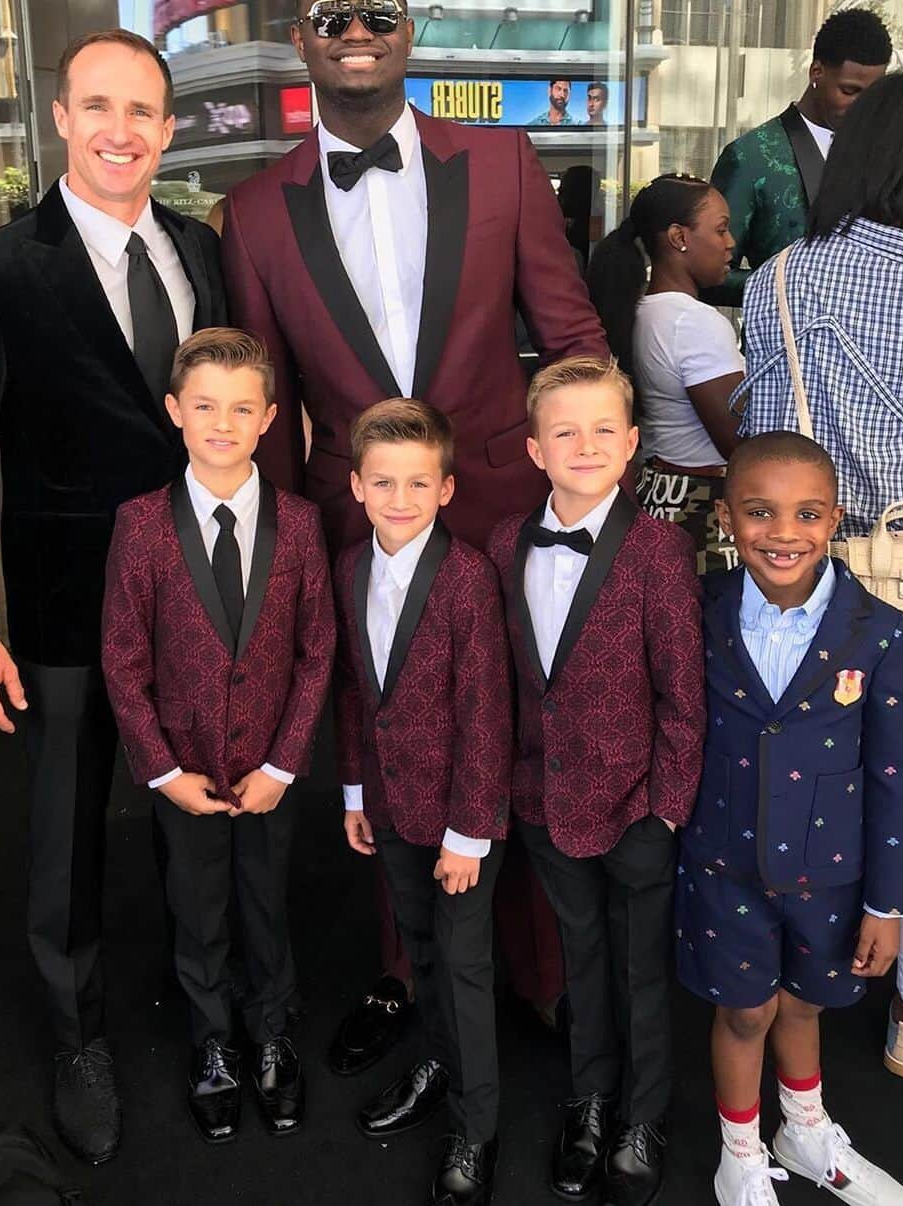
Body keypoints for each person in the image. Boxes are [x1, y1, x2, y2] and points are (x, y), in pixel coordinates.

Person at [222, 0, 606, 1075]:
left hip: (499, 507)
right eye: (332, 17)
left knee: (520, 732)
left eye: (378, 14)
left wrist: (588, 495)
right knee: (393, 750)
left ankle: (539, 976)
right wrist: (289, 566)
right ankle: (410, 971)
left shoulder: (498, 162)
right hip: (355, 527)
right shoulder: (252, 214)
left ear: (411, 32)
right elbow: (274, 407)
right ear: (301, 39)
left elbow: (572, 334)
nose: (355, 34)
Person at [0, 28, 228, 1163]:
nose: (121, 131)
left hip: (200, 595)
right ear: (59, 118)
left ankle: (216, 1019)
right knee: (67, 838)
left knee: (202, 820)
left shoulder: (203, 249)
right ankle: (75, 1031)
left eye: (142, 110)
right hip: (60, 608)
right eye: (98, 106)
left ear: (170, 127)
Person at [734, 68, 903, 1084]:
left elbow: (763, 443)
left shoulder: (781, 277)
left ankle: (784, 980)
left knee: (808, 776)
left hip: (806, 576)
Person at [101, 328, 334, 1146]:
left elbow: (318, 652)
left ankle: (271, 1034)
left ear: (270, 417)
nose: (223, 423)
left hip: (268, 769)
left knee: (267, 905)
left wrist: (284, 762)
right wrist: (161, 772)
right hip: (184, 770)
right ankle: (213, 1047)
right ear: (175, 412)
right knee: (196, 910)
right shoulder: (139, 524)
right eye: (205, 406)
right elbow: (123, 660)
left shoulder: (300, 525)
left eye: (242, 408)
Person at [488, 356, 705, 1206]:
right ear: (536, 449)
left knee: (643, 969)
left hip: (636, 807)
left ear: (633, 445)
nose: (585, 444)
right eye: (565, 431)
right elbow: (510, 679)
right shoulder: (507, 542)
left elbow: (682, 697)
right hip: (543, 799)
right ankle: (590, 1100)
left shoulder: (658, 551)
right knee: (580, 958)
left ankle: (643, 1116)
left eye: (603, 430)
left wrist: (666, 809)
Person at [678, 432, 903, 1206]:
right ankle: (740, 1152)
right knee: (744, 1013)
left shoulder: (875, 629)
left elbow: (889, 774)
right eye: (760, 512)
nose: (784, 533)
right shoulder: (699, 612)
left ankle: (804, 1129)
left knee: (807, 1002)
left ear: (835, 518)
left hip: (831, 874)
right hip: (724, 863)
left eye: (807, 513)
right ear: (725, 519)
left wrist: (885, 901)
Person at [333, 399, 511, 1206]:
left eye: (416, 483)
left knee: (466, 965)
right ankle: (438, 1063)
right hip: (391, 806)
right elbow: (353, 691)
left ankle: (477, 1129)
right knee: (422, 950)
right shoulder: (349, 568)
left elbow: (485, 712)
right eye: (383, 483)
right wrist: (353, 790)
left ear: (444, 489)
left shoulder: (468, 579)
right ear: (357, 487)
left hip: (458, 822)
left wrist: (469, 834)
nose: (398, 498)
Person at [588, 174, 742, 574]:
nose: (731, 243)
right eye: (721, 229)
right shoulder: (694, 323)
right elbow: (736, 440)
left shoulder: (640, 312)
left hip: (654, 493)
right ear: (679, 237)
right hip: (702, 508)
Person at [709, 9, 891, 306]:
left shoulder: (888, 153)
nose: (863, 107)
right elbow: (710, 276)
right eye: (849, 91)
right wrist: (796, 284)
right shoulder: (749, 157)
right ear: (816, 71)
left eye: (873, 95)